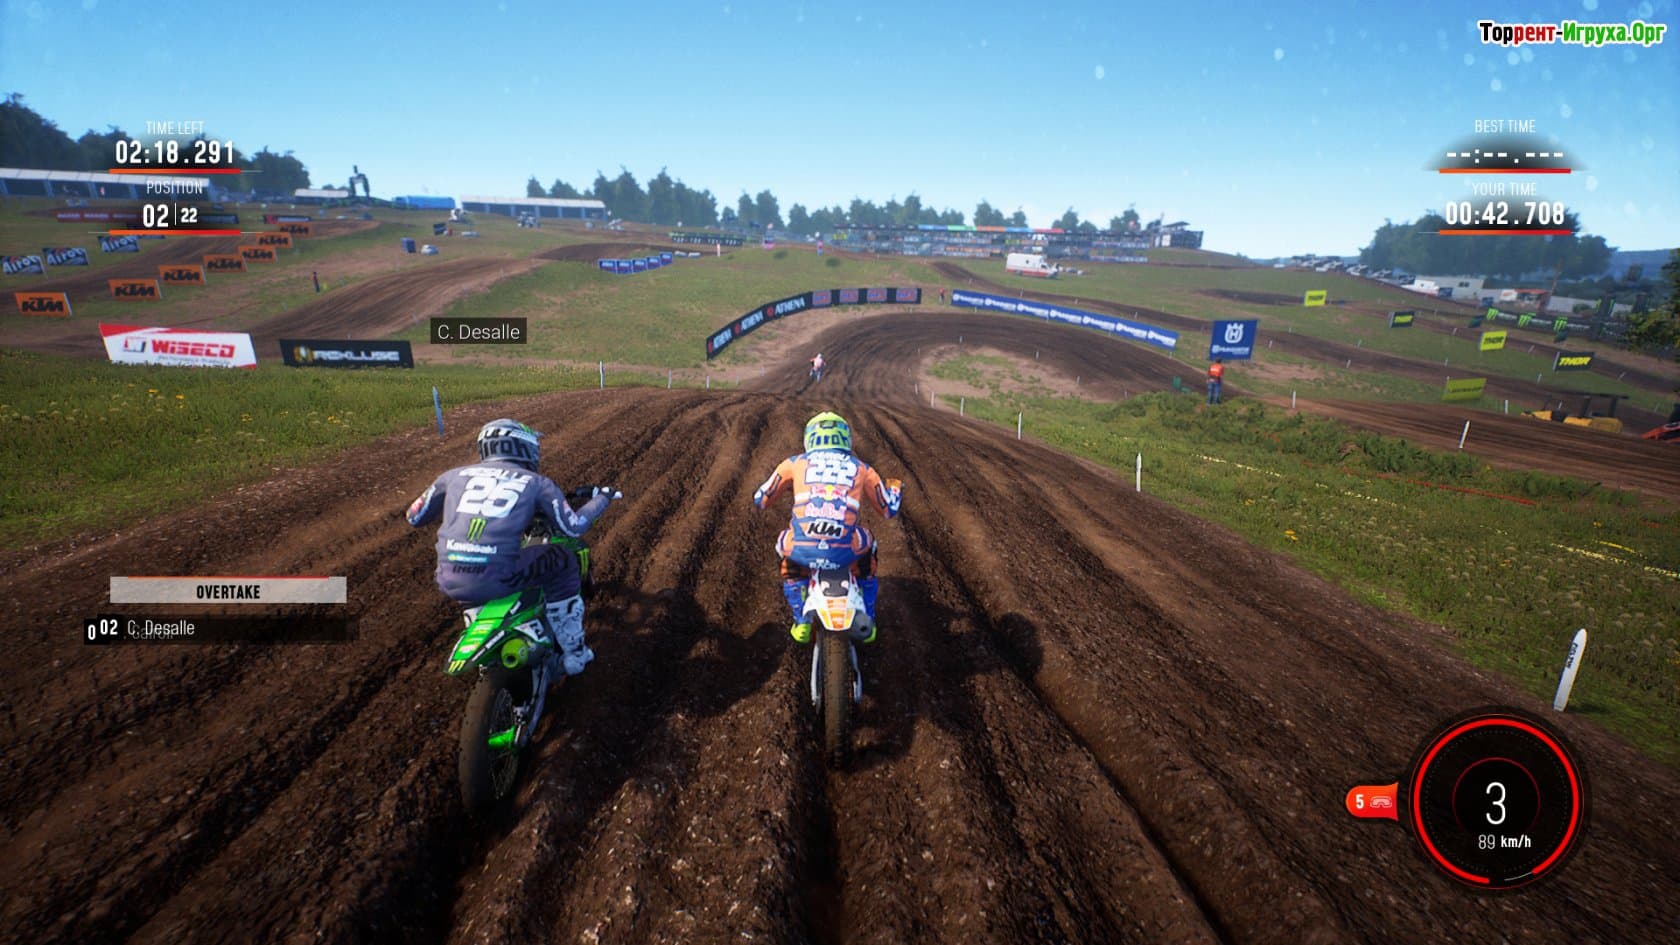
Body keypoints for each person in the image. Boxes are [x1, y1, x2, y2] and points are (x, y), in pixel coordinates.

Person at [406, 418, 619, 675]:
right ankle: (575, 653)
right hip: (499, 574)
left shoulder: (451, 476)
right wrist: (602, 499)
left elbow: (414, 517)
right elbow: (573, 527)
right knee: (563, 559)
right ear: (524, 447)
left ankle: (483, 631)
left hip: (448, 578)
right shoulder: (536, 482)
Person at [754, 412, 902, 643]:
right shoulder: (862, 468)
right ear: (846, 439)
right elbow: (888, 510)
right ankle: (869, 618)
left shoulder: (793, 463)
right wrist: (895, 489)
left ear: (809, 438)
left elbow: (761, 500)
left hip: (802, 548)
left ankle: (801, 618)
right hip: (845, 549)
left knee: (783, 543)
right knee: (869, 542)